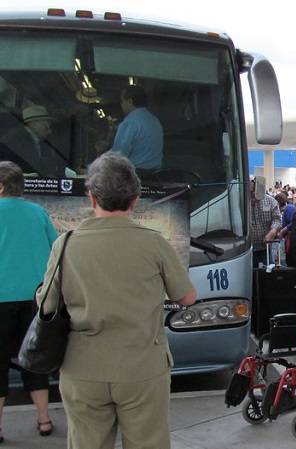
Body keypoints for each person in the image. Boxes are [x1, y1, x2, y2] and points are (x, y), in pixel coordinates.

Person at [36, 153, 196, 448]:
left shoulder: (65, 244)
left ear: (91, 198)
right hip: (142, 369)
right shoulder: (154, 243)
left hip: (83, 370)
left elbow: (46, 306)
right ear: (135, 200)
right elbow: (186, 297)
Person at [0, 162, 57, 443]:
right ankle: (44, 420)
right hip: (35, 299)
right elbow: (56, 249)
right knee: (33, 361)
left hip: (0, 299)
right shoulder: (38, 213)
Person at [0, 105, 66, 178]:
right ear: (33, 123)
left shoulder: (42, 142)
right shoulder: (17, 138)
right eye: (44, 121)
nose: (48, 127)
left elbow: (48, 167)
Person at [110, 85, 164, 171]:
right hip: (155, 176)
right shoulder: (155, 120)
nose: (121, 104)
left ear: (130, 101)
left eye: (122, 101)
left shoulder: (130, 122)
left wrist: (93, 168)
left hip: (135, 176)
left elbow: (118, 154)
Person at [250, 176, 281, 268]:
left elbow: (277, 219)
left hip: (265, 247)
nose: (253, 196)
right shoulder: (240, 202)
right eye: (251, 193)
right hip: (248, 250)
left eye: (254, 192)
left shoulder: (271, 201)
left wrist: (273, 231)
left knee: (267, 274)